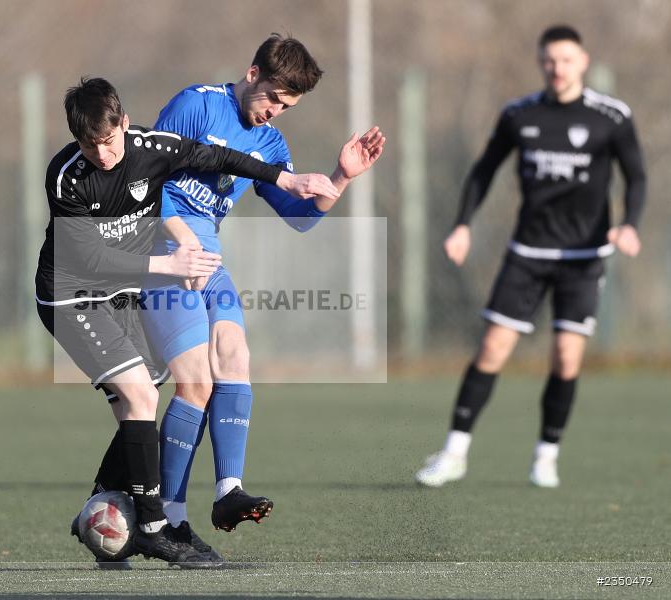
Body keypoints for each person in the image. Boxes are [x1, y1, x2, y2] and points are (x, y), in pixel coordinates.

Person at [35, 77, 340, 568]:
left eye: (109, 141)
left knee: (139, 405)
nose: (103, 155)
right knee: (142, 395)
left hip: (122, 294)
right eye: (91, 146)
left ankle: (101, 506)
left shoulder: (151, 148)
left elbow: (217, 157)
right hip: (73, 297)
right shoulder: (66, 176)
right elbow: (88, 258)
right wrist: (168, 263)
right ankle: (155, 528)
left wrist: (284, 180)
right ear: (77, 140)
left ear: (125, 124)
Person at [138, 33, 386, 557]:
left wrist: (341, 177)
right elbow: (145, 182)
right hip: (163, 255)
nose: (275, 111)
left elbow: (298, 217)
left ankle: (228, 491)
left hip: (208, 261)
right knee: (196, 383)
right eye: (272, 98)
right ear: (252, 74)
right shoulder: (197, 104)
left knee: (235, 354)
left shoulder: (270, 144)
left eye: (286, 107)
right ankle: (169, 519)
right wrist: (180, 240)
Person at [415, 25, 646, 488]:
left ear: (582, 62)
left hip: (583, 258)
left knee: (566, 358)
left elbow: (636, 176)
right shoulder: (520, 114)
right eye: (549, 60)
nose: (557, 68)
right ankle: (454, 452)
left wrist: (630, 225)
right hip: (527, 253)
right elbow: (483, 171)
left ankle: (546, 456)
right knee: (491, 349)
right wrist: (463, 225)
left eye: (566, 60)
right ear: (540, 62)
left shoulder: (612, 116)